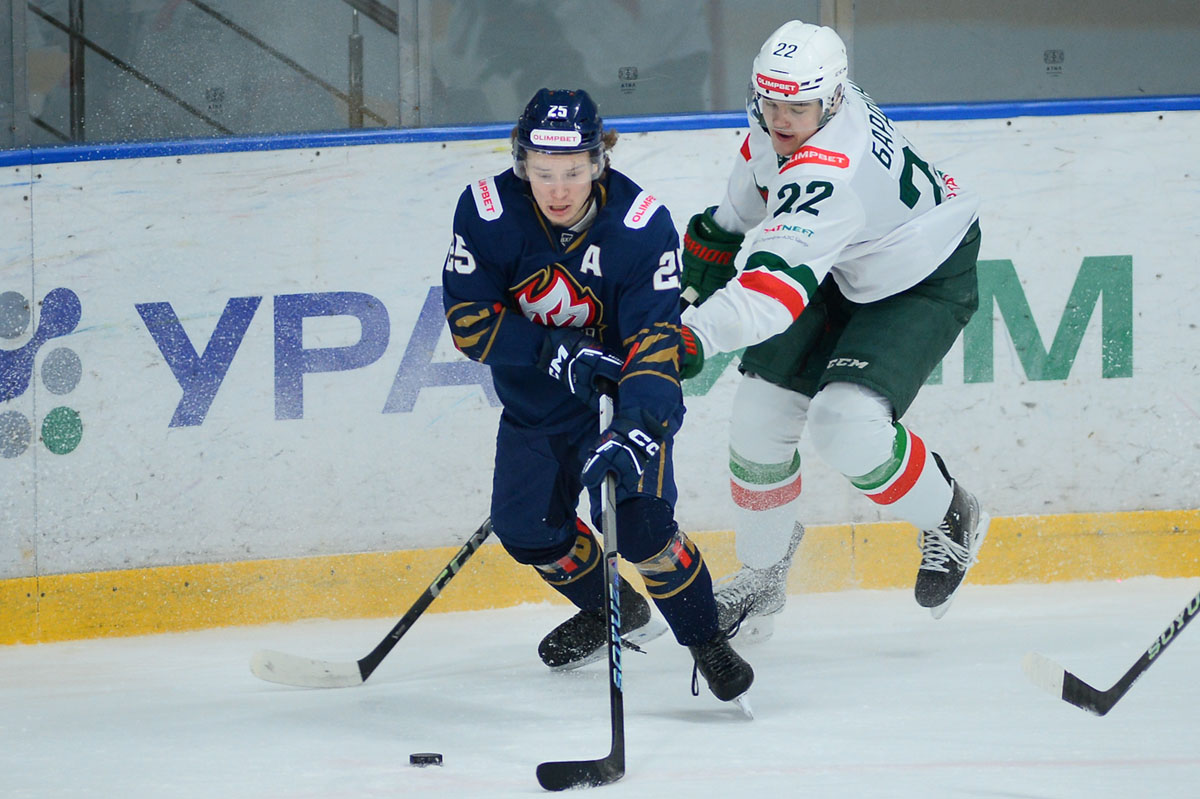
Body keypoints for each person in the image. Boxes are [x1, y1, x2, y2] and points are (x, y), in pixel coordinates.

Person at [678, 21, 989, 640]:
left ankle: (950, 512)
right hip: (844, 260)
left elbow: (771, 292)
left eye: (797, 108)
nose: (781, 119)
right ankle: (763, 573)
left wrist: (691, 338)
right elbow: (756, 177)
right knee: (758, 419)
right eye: (770, 102)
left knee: (846, 427)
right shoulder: (799, 110)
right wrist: (717, 240)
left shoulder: (829, 172)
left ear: (834, 98)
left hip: (921, 275)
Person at [442, 88, 753, 703]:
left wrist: (635, 427)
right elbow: (470, 323)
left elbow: (656, 345)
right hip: (536, 408)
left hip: (623, 401)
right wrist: (556, 352)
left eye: (573, 172)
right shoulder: (486, 212)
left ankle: (706, 638)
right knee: (528, 532)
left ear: (598, 161)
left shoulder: (640, 226)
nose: (558, 190)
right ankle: (616, 607)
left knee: (640, 528)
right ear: (521, 163)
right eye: (543, 172)